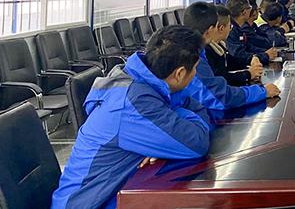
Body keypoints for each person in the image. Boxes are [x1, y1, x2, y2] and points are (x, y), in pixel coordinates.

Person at [51, 26, 213, 209]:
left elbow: (198, 111)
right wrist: (174, 126)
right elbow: (197, 142)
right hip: (88, 203)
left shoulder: (144, 83)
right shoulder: (133, 102)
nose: (195, 74)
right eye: (195, 69)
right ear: (180, 74)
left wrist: (166, 134)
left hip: (111, 192)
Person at [183, 2, 279, 111]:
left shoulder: (195, 50)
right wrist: (262, 92)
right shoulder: (193, 58)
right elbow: (220, 97)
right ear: (210, 30)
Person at [201, 5, 264, 87]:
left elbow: (231, 61)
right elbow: (221, 78)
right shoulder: (206, 51)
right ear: (221, 28)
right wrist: (248, 74)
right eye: (230, 26)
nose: (231, 29)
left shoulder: (219, 45)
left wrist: (251, 60)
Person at [226, 0, 279, 64]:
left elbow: (248, 47)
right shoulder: (230, 30)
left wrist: (265, 52)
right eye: (250, 7)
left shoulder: (239, 28)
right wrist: (265, 56)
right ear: (244, 12)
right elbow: (239, 55)